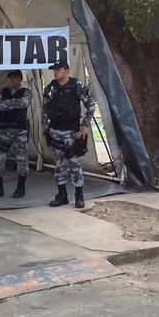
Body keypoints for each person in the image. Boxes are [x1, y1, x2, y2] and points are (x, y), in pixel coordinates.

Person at [42, 61, 95, 209]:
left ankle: (79, 195)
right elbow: (45, 106)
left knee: (74, 163)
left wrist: (84, 126)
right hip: (55, 130)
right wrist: (45, 124)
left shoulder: (77, 86)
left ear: (66, 71)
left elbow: (90, 106)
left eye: (59, 70)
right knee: (59, 164)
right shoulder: (51, 88)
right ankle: (62, 195)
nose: (56, 73)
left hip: (71, 132)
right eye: (54, 70)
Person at [0, 70, 31, 199]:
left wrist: (7, 104)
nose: (12, 80)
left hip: (20, 130)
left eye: (15, 78)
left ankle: (21, 188)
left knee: (22, 159)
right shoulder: (2, 92)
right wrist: (15, 103)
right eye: (10, 78)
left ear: (20, 79)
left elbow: (24, 103)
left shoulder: (26, 92)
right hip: (3, 129)